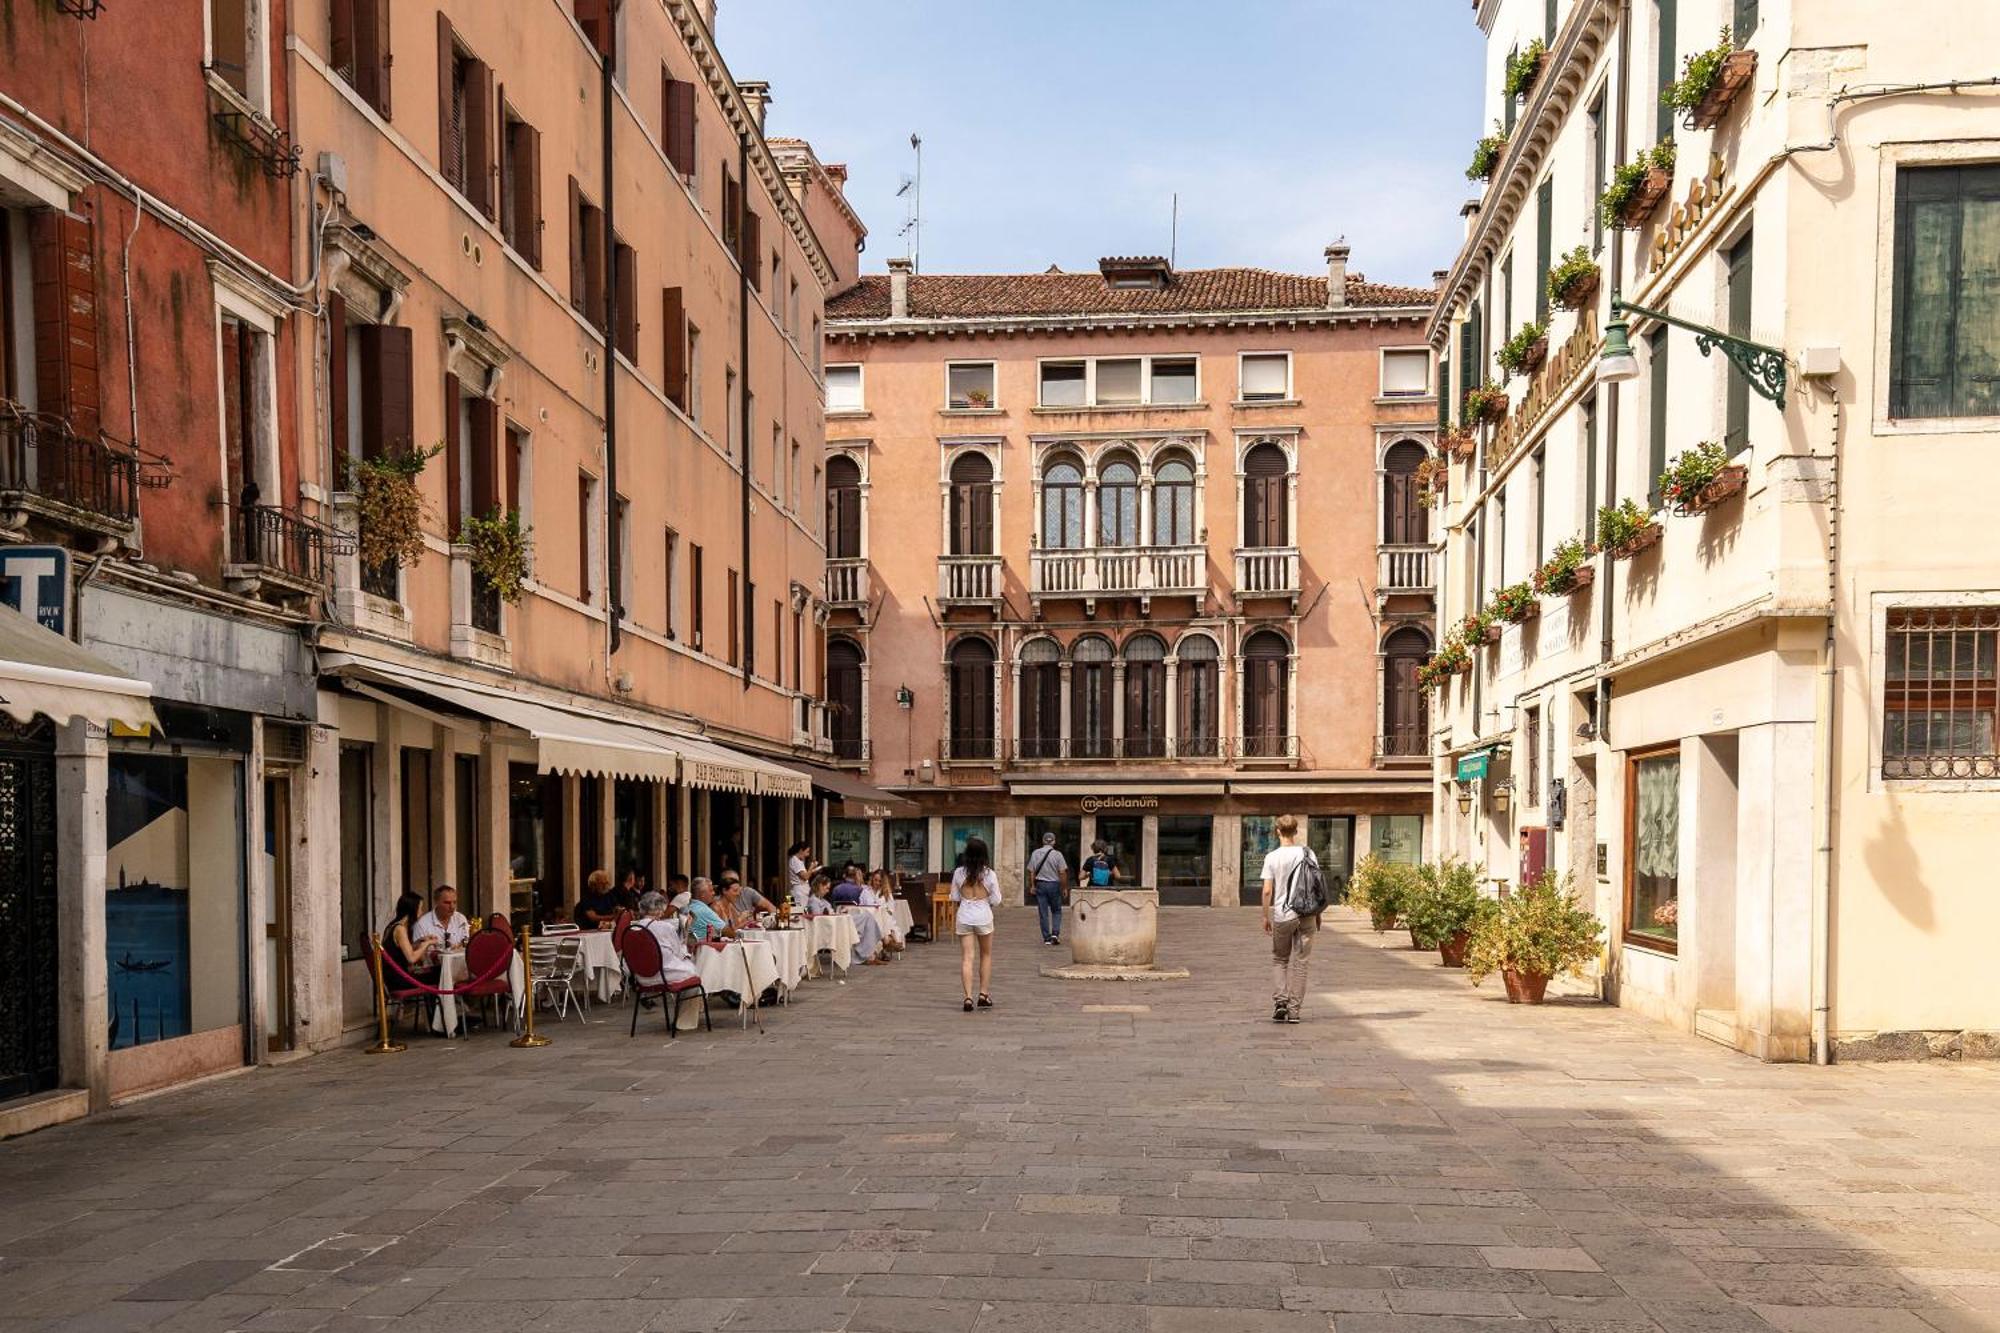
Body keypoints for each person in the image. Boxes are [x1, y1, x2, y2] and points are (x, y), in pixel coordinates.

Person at [1260, 814, 1319, 1024]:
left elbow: (1267, 891)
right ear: (1296, 832)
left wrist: (1265, 915)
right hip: (1306, 914)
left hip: (1283, 915)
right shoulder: (1308, 853)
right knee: (1301, 963)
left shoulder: (1272, 857)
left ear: (1277, 832)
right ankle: (1294, 1011)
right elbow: (1315, 886)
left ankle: (1281, 1003)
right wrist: (1317, 914)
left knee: (1279, 959)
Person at [950, 837, 1003, 1011]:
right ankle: (983, 994)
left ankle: (967, 997)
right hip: (983, 916)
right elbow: (996, 899)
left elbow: (955, 897)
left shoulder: (959, 873)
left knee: (967, 957)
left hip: (964, 915)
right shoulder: (989, 874)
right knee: (986, 955)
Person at [629, 891, 700, 989]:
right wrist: (686, 931)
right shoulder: (665, 927)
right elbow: (679, 954)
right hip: (664, 975)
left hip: (641, 977)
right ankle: (684, 1004)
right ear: (659, 909)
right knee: (695, 971)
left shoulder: (632, 928)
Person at [381, 889, 441, 989]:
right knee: (440, 973)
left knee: (435, 971)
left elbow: (401, 950)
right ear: (413, 909)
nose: (421, 912)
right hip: (399, 980)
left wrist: (420, 941)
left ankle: (435, 1004)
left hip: (393, 977)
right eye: (420, 908)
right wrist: (427, 944)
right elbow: (411, 958)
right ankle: (440, 1004)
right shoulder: (400, 929)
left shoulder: (393, 925)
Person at [1027, 832, 1069, 947]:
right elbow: (1062, 872)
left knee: (1043, 912)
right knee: (1056, 910)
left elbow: (1032, 872)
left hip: (1040, 885)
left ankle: (1046, 938)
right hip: (1054, 885)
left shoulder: (1035, 853)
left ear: (1043, 841)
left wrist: (1032, 886)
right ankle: (1055, 934)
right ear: (1054, 841)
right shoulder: (1058, 855)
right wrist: (1064, 887)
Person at [412, 884, 470, 949]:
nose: (452, 907)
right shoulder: (422, 924)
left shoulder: (460, 919)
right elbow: (418, 954)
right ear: (436, 902)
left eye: (454, 902)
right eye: (447, 903)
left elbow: (466, 943)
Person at [685, 877, 735, 942]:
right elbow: (727, 932)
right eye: (711, 890)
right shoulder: (703, 910)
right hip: (701, 949)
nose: (713, 893)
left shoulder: (690, 905)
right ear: (702, 894)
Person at [786, 841, 818, 909]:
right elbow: (805, 877)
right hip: (798, 892)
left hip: (799, 891)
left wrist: (812, 871)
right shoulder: (794, 860)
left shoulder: (799, 861)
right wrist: (811, 866)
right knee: (799, 913)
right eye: (807, 852)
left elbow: (805, 875)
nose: (807, 855)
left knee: (798, 911)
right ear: (801, 851)